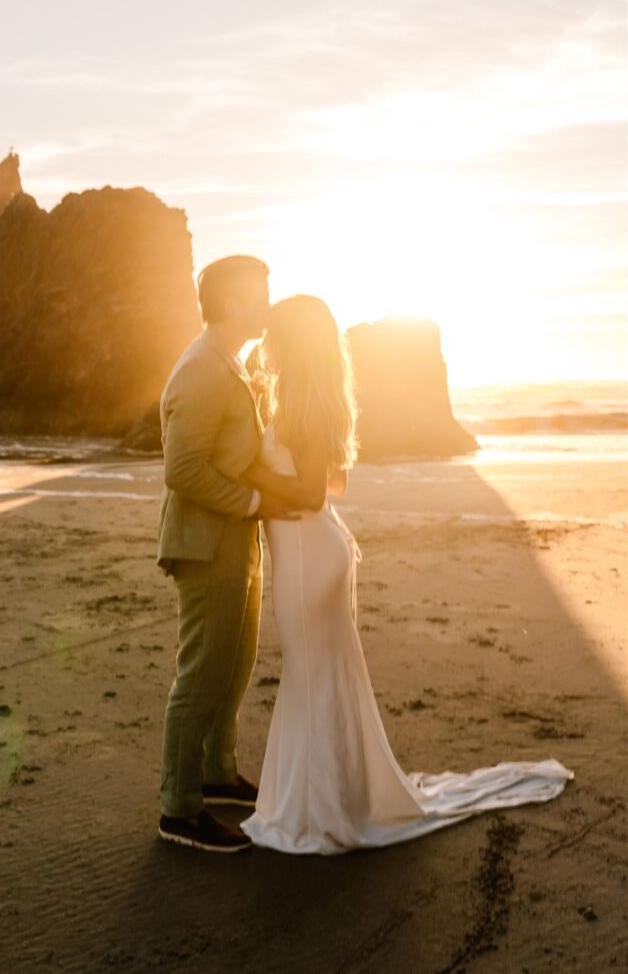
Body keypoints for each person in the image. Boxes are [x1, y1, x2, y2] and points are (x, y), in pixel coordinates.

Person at [237, 295, 573, 854]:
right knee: (318, 678)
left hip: (307, 559)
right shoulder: (309, 398)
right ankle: (332, 801)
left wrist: (250, 473)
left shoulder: (299, 401)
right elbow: (334, 486)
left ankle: (321, 814)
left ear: (291, 341)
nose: (265, 341)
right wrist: (279, 487)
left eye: (273, 332)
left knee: (311, 679)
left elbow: (312, 492)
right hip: (316, 549)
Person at [156, 255, 300, 853]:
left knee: (236, 663)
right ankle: (179, 809)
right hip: (207, 541)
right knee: (202, 672)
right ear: (234, 301)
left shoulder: (228, 363)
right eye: (260, 294)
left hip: (236, 540)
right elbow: (182, 468)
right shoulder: (200, 369)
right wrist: (251, 501)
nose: (267, 304)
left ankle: (217, 772)